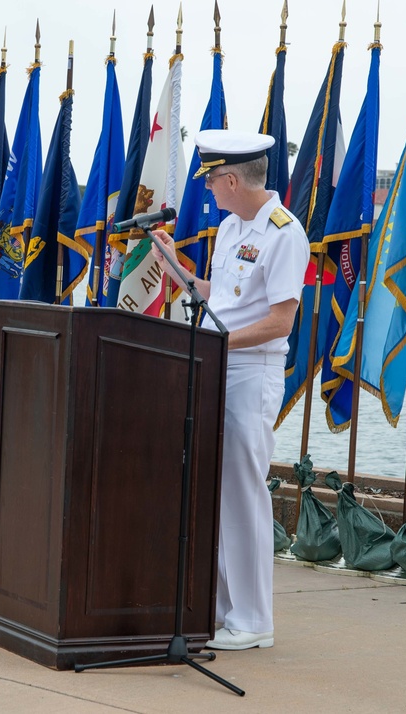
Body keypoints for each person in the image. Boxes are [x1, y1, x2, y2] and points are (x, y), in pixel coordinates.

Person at [150, 129, 309, 651]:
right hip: (218, 365)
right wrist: (173, 264)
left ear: (233, 179)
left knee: (243, 494)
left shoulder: (284, 233)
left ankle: (254, 620)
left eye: (212, 180)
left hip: (250, 372)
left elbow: (281, 320)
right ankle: (220, 610)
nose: (209, 190)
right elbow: (218, 299)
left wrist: (216, 345)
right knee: (215, 494)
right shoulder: (229, 228)